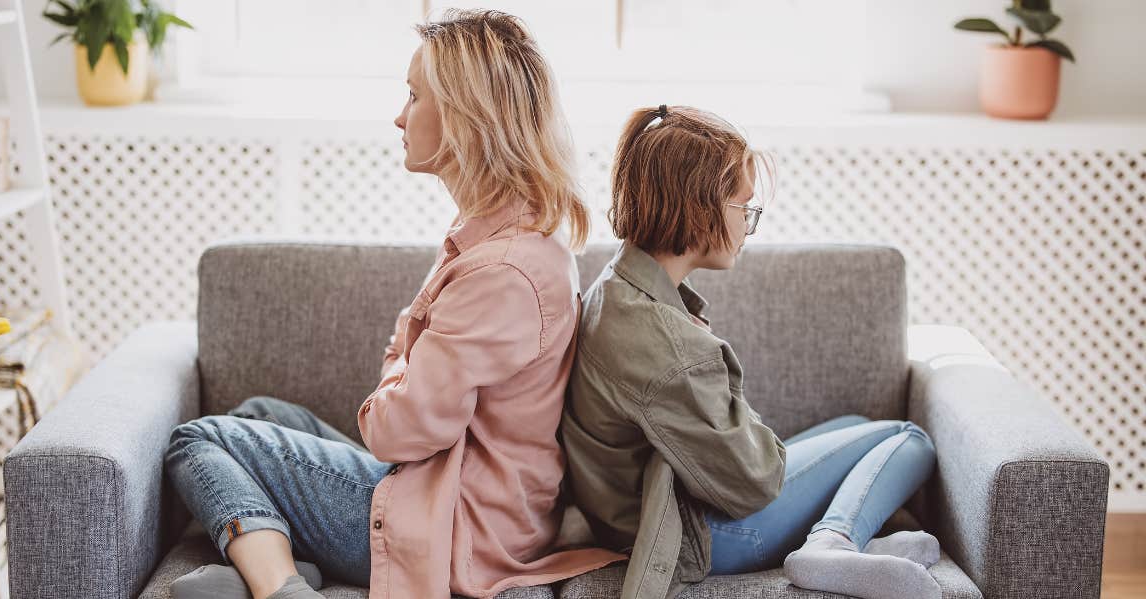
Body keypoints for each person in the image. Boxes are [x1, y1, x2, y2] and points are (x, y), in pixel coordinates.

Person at [163, 9, 627, 599]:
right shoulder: (497, 234)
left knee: (196, 440)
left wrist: (399, 360)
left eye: (414, 96)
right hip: (441, 486)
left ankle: (279, 584)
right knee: (256, 413)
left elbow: (394, 431)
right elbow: (413, 377)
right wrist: (406, 356)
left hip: (451, 526)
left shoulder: (504, 271)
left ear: (466, 118)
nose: (399, 116)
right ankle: (283, 552)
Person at [561, 104, 942, 599]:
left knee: (852, 425)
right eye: (743, 207)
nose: (750, 224)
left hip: (646, 516)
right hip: (702, 537)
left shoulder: (618, 289)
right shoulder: (666, 346)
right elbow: (755, 483)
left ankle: (852, 542)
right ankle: (832, 544)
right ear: (697, 208)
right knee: (909, 438)